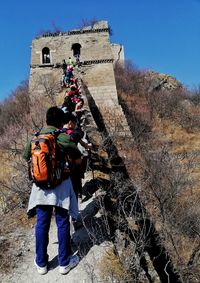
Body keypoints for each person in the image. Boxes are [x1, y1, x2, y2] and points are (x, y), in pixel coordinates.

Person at [23, 107, 82, 275]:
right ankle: (64, 262)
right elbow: (77, 158)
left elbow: (25, 155)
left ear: (46, 120)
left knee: (42, 222)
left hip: (40, 188)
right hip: (60, 187)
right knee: (62, 222)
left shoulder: (35, 137)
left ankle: (41, 263)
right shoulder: (62, 136)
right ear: (60, 122)